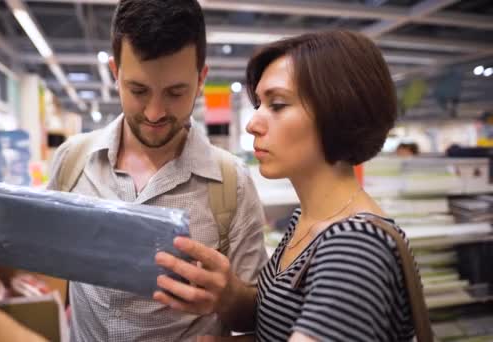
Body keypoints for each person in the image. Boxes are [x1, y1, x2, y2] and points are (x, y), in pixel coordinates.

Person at [0, 0, 268, 341]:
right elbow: (47, 251)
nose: (154, 113)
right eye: (138, 90)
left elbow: (257, 315)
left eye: (175, 92)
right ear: (115, 72)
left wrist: (229, 296)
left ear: (201, 78)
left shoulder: (231, 184)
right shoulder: (72, 159)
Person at [154, 31, 416, 341]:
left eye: (277, 105)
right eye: (259, 104)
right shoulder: (305, 222)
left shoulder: (354, 246)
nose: (253, 124)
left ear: (338, 110)